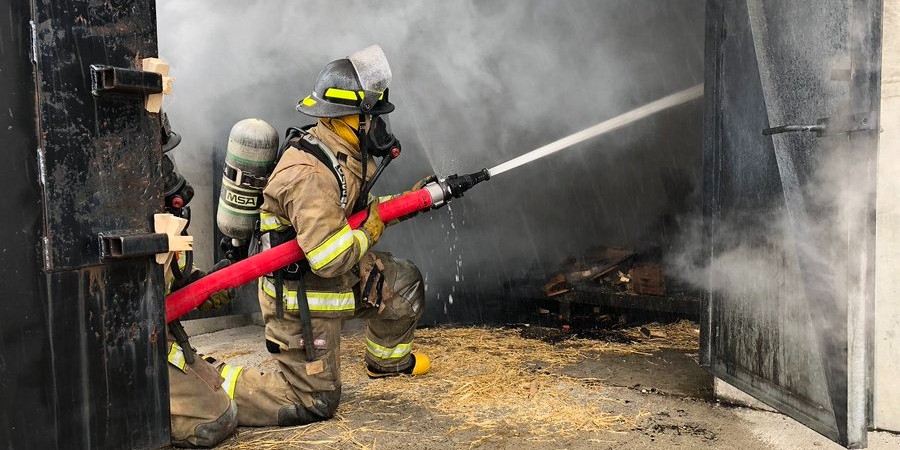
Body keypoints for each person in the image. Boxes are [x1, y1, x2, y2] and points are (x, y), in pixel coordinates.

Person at [215, 44, 431, 427]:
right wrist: (375, 227)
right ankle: (213, 384)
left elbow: (356, 214)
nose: (376, 127)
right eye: (369, 117)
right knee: (313, 403)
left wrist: (412, 201)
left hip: (329, 280)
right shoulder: (309, 174)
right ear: (346, 117)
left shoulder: (341, 150)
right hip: (301, 299)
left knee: (404, 283)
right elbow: (330, 257)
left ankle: (386, 362)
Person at [160, 112, 239, 447]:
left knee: (222, 406)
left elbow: (165, 284)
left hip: (156, 336)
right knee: (214, 419)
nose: (169, 173)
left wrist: (203, 285)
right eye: (159, 159)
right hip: (127, 346)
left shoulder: (154, 215)